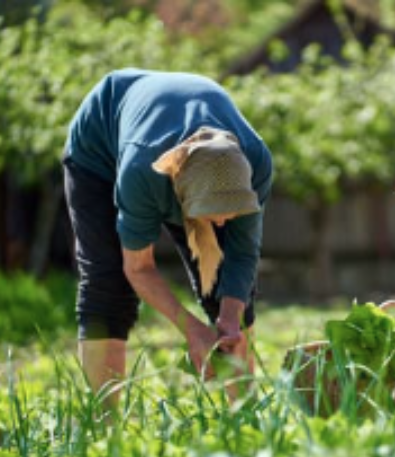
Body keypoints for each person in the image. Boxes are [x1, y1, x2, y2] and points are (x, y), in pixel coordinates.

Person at [63, 68, 272, 406]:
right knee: (108, 282)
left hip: (174, 128)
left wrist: (230, 317)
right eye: (214, 211)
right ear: (181, 200)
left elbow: (243, 255)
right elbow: (138, 268)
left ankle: (243, 415)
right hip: (99, 147)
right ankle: (104, 426)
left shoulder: (256, 162)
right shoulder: (142, 175)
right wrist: (191, 329)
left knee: (228, 290)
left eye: (233, 208)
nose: (224, 221)